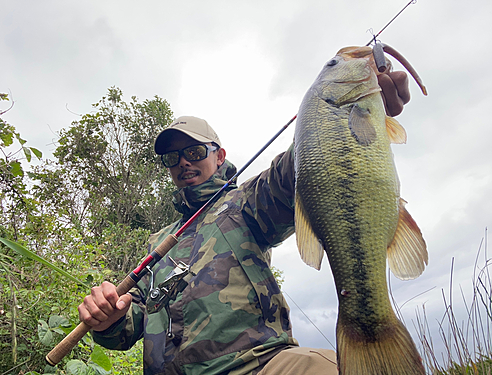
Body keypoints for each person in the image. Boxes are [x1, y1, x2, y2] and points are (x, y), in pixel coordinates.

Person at [78, 71, 411, 375]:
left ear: (219, 156)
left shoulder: (245, 203)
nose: (183, 163)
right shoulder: (157, 244)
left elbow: (298, 172)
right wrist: (109, 318)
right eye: (172, 158)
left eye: (194, 152)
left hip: (257, 366)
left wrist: (343, 117)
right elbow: (128, 323)